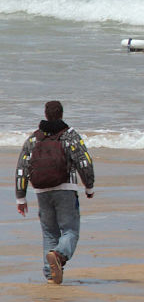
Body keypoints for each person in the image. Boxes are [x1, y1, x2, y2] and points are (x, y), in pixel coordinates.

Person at [14, 100, 96, 284]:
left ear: (45, 114)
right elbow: (84, 161)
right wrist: (89, 186)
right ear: (61, 114)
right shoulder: (69, 135)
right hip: (65, 189)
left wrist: (21, 197)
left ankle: (51, 275)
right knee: (70, 231)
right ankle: (58, 255)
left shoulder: (34, 139)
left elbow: (22, 166)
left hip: (41, 191)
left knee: (50, 234)